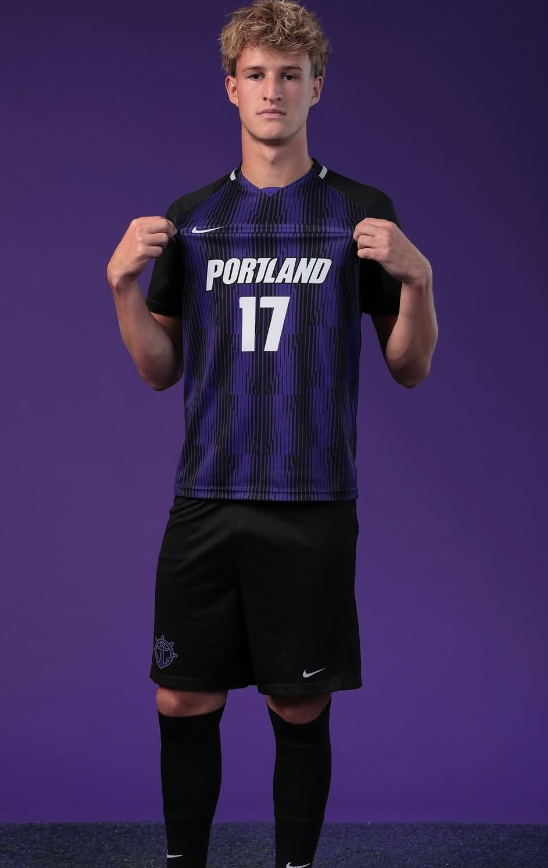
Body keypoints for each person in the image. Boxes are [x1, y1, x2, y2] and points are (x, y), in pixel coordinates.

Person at [106, 1, 438, 866]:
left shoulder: (359, 211)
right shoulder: (195, 218)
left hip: (312, 500)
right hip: (206, 497)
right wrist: (120, 291)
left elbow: (409, 367)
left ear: (315, 87)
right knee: (182, 700)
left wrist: (420, 282)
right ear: (231, 88)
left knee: (298, 707)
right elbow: (156, 368)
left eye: (290, 75)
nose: (272, 91)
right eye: (256, 74)